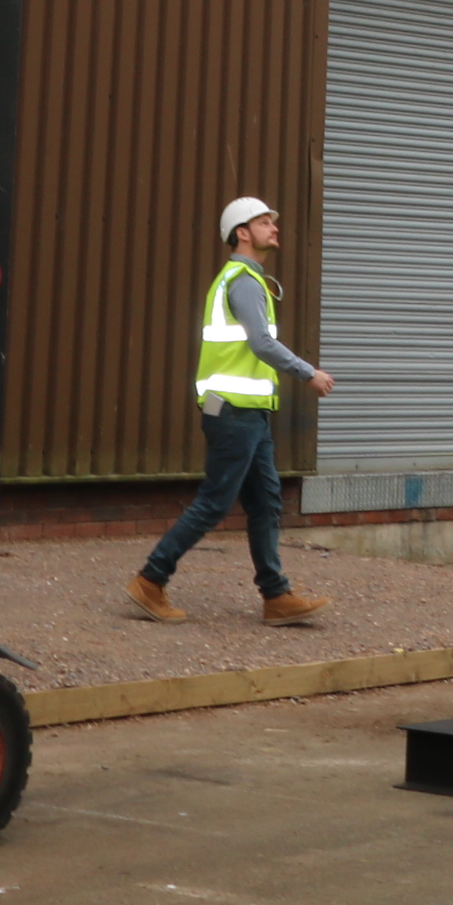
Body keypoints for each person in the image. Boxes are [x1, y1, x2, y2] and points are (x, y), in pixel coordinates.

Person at [128, 194, 331, 626]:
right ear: (243, 232)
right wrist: (306, 372)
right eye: (264, 222)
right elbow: (261, 343)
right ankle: (150, 580)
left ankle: (276, 596)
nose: (275, 228)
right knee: (215, 502)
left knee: (265, 503)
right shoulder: (241, 280)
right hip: (234, 413)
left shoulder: (247, 279)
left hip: (250, 414)